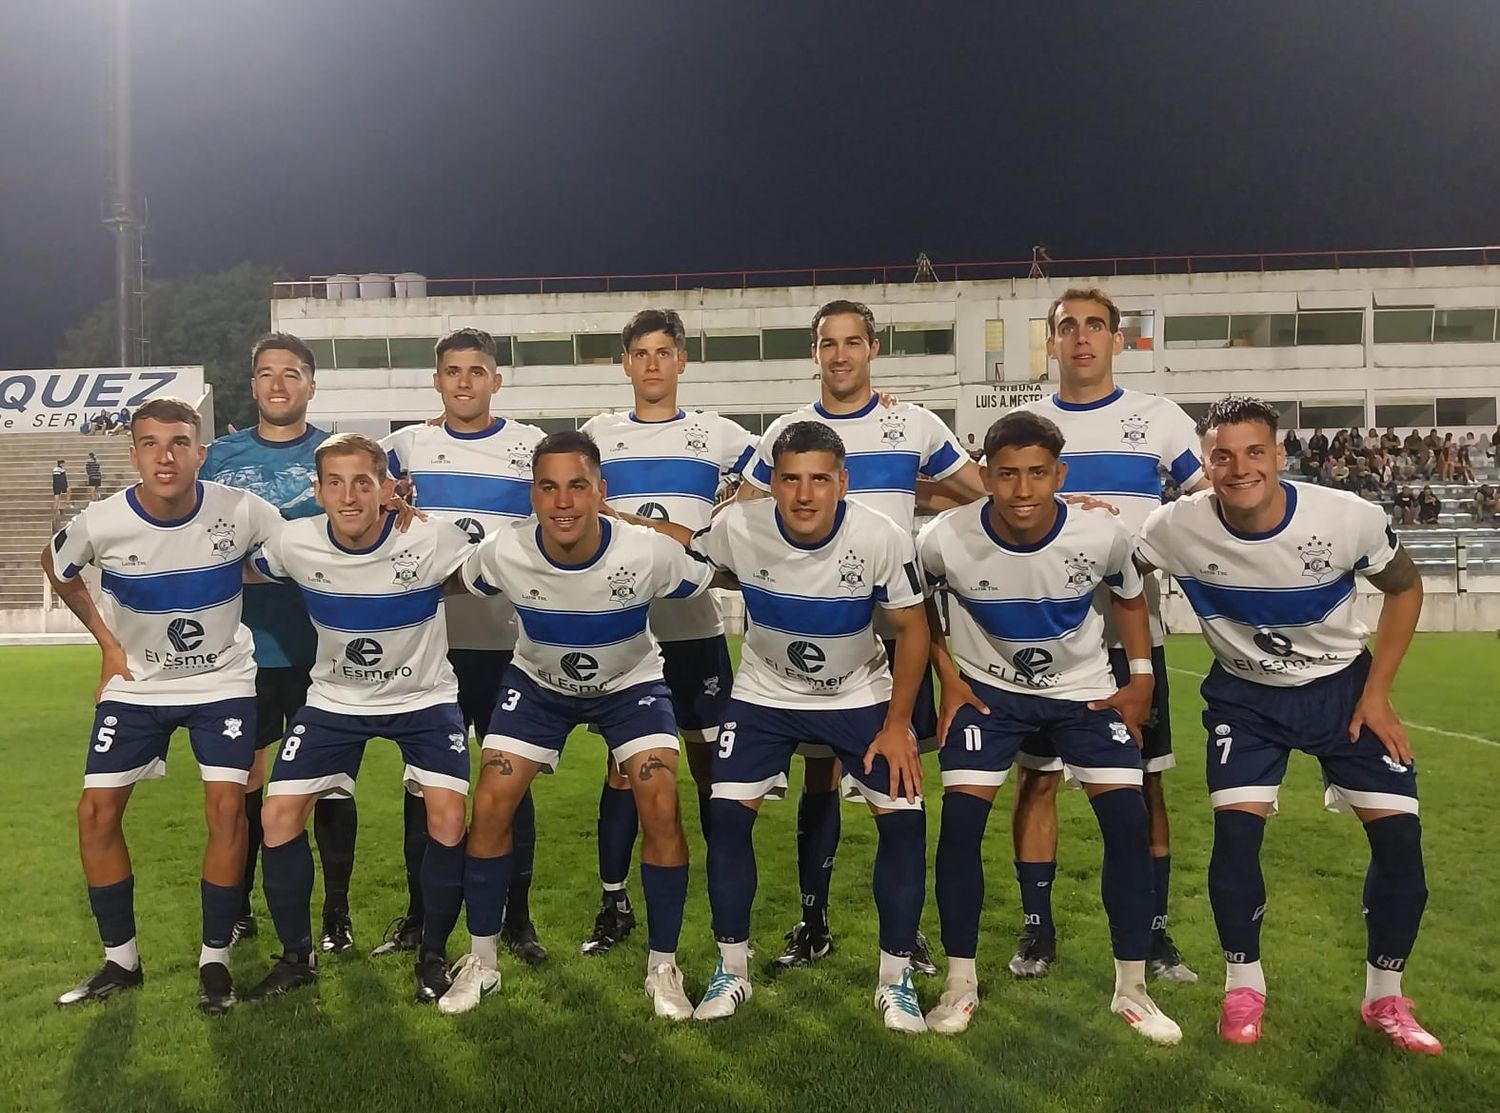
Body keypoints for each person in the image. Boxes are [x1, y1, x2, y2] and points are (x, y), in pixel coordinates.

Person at [1136, 394, 1440, 1055]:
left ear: (1279, 455)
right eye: (1223, 455)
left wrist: (1380, 693)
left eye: (1254, 452)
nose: (1239, 467)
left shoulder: (1346, 517)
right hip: (1246, 700)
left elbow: (1406, 587)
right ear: (1206, 463)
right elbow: (1119, 573)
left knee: (1401, 850)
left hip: (1343, 692)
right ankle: (1243, 986)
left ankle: (1384, 998)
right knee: (1236, 837)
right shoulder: (1173, 526)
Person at [737, 299, 986, 972]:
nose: (840, 354)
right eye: (828, 343)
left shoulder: (914, 423)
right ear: (814, 353)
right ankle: (812, 920)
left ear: (873, 348)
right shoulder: (789, 432)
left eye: (853, 341)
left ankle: (905, 933)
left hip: (901, 630)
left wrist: (1055, 501)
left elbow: (983, 491)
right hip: (818, 627)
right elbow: (749, 513)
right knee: (819, 778)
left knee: (898, 778)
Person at [919, 411, 1180, 1045]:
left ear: (1059, 474)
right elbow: (916, 603)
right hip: (990, 692)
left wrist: (1139, 677)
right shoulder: (941, 538)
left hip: (1083, 692)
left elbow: (1129, 594)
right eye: (1007, 474)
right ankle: (960, 983)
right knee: (960, 824)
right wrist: (949, 677)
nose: (1024, 489)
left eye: (1038, 473)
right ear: (985, 474)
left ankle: (1133, 989)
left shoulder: (1101, 535)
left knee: (1127, 822)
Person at [439, 431, 715, 1020]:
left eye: (577, 487)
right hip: (538, 685)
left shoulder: (647, 551)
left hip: (629, 685)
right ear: (532, 496)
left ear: (600, 492)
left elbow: (714, 577)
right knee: (489, 803)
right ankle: (481, 962)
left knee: (661, 801)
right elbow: (445, 579)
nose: (563, 502)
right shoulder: (502, 551)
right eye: (548, 488)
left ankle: (663, 967)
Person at [683, 421, 933, 1030]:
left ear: (842, 482)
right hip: (765, 690)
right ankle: (731, 971)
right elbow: (683, 550)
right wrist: (621, 523)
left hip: (857, 691)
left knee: (903, 819)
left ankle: (895, 981)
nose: (803, 495)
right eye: (789, 479)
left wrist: (899, 725)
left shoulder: (881, 536)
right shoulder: (737, 527)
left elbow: (914, 627)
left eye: (819, 479)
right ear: (770, 483)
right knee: (725, 814)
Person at [40, 397, 283, 1013]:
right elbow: (56, 563)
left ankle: (215, 963)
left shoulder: (243, 510)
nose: (165, 456)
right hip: (139, 686)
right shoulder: (102, 521)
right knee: (95, 814)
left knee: (228, 810)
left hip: (221, 682)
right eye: (150, 443)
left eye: (178, 442)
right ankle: (121, 961)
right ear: (134, 455)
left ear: (200, 451)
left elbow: (302, 548)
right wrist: (106, 643)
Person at [1008, 287, 1208, 983]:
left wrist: (1143, 543)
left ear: (1116, 339)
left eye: (1096, 325)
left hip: (1133, 641)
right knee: (1036, 782)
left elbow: (1212, 500)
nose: (1083, 337)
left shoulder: (1157, 417)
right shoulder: (1025, 423)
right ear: (1053, 342)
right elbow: (992, 510)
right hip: (1044, 638)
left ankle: (1154, 937)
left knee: (1145, 786)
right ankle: (1038, 930)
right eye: (1069, 326)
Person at [240, 434, 472, 1004]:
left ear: (386, 488)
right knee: (277, 816)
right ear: (317, 492)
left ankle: (433, 956)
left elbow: (494, 559)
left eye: (363, 482)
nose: (349, 495)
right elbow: (239, 568)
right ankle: (297, 958)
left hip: (423, 698)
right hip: (335, 701)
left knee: (446, 816)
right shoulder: (295, 543)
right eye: (335, 483)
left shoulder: (434, 538)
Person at [577, 309, 756, 955]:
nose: (652, 364)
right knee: (623, 766)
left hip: (696, 626)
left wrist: (725, 525)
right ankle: (613, 901)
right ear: (626, 362)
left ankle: (720, 897)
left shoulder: (717, 433)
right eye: (640, 353)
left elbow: (774, 475)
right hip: (624, 630)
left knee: (713, 767)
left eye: (663, 352)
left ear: (681, 360)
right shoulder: (600, 432)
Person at [380, 328, 549, 963]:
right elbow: (364, 503)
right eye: (452, 371)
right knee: (423, 785)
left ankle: (518, 918)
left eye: (476, 371)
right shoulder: (406, 447)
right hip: (429, 647)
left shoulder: (529, 446)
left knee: (511, 782)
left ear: (495, 380)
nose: (464, 382)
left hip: (512, 643)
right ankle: (420, 917)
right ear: (437, 380)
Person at [201, 333, 359, 953]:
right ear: (253, 385)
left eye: (291, 374)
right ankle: (240, 907)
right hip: (243, 650)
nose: (278, 384)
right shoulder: (217, 457)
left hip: (327, 649)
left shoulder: (337, 454)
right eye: (266, 373)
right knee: (246, 781)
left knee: (332, 783)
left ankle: (337, 914)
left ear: (311, 385)